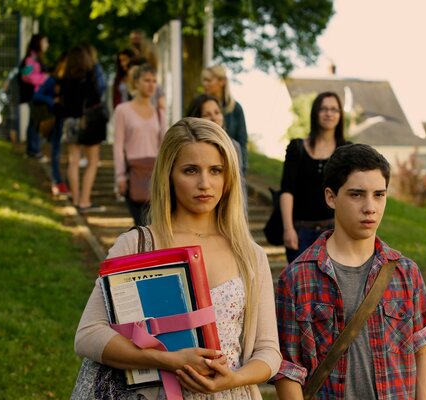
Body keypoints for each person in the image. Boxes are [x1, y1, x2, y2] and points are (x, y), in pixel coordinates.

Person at [75, 117, 282, 399]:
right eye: (190, 170)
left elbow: (269, 351)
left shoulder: (250, 254)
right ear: (169, 175)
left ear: (229, 176)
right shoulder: (136, 244)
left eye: (216, 170)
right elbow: (88, 335)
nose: (205, 183)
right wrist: (166, 359)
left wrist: (232, 379)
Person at [274, 143, 426, 399]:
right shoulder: (297, 279)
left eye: (379, 195)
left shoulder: (406, 272)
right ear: (331, 197)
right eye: (356, 194)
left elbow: (420, 350)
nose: (370, 207)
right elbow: (288, 370)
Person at [280, 91, 348, 263]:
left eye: (334, 109)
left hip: (335, 231)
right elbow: (287, 190)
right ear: (315, 113)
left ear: (340, 115)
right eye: (323, 109)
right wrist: (288, 229)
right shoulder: (297, 148)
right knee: (299, 288)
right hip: (301, 231)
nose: (329, 113)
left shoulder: (347, 151)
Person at [113, 64, 167, 226]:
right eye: (147, 80)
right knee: (141, 224)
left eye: (154, 81)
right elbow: (118, 144)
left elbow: (165, 145)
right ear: (136, 83)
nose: (151, 85)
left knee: (156, 224)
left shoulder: (160, 113)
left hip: (155, 174)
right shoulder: (123, 110)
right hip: (133, 173)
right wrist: (120, 175)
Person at [58, 45, 105, 213]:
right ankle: (85, 201)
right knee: (92, 162)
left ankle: (76, 199)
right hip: (88, 122)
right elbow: (97, 98)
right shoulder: (90, 76)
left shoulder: (65, 78)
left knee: (73, 161)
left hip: (70, 121)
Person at [186, 94, 247, 210]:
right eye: (207, 115)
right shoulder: (187, 147)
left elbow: (239, 188)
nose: (214, 118)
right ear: (196, 118)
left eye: (217, 112)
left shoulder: (234, 147)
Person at [33, 52, 69, 197]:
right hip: (54, 119)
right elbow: (37, 95)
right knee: (55, 152)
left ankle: (66, 183)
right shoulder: (52, 81)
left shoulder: (71, 81)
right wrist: (51, 101)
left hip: (66, 120)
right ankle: (58, 181)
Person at [201, 64, 249, 173]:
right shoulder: (199, 105)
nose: (205, 84)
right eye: (204, 80)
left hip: (230, 165)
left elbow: (242, 142)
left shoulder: (235, 109)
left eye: (209, 80)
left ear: (222, 81)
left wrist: (242, 171)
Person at [21, 33, 50, 160]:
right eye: (45, 42)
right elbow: (25, 75)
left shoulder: (36, 58)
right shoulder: (31, 59)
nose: (47, 45)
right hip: (35, 94)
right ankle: (34, 150)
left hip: (38, 94)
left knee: (35, 122)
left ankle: (33, 150)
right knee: (36, 122)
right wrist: (44, 78)